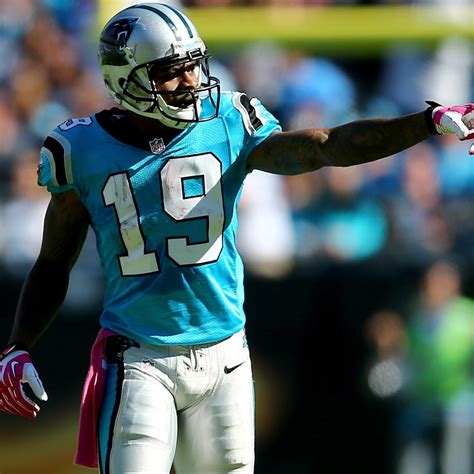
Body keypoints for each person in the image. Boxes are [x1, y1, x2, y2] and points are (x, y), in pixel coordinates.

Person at [0, 3, 473, 474]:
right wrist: (18, 345)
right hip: (138, 355)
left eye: (192, 66)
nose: (190, 81)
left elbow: (326, 146)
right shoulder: (80, 149)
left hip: (225, 354)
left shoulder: (228, 119)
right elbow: (53, 262)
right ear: (125, 79)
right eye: (170, 72)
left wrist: (425, 122)